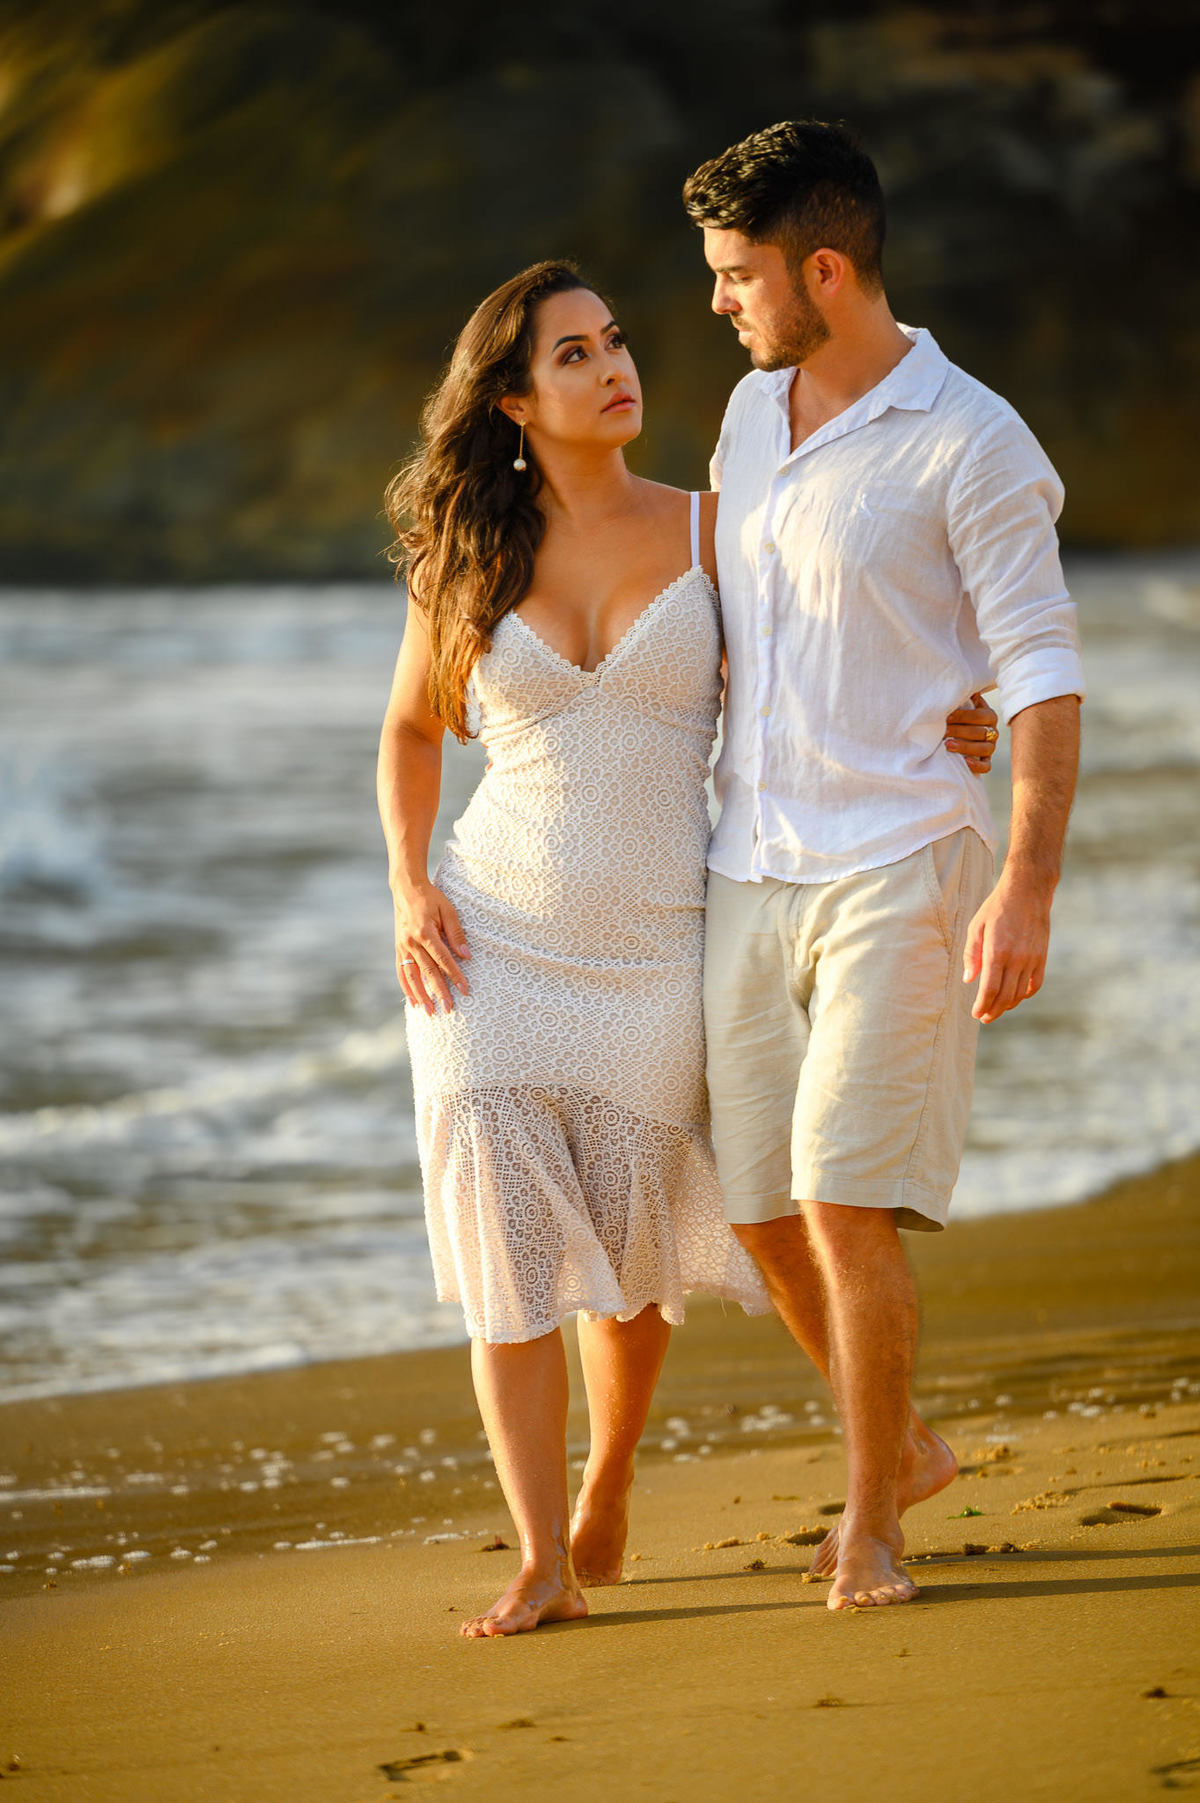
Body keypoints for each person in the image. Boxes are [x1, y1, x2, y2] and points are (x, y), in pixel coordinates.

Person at [376, 259, 1000, 1638]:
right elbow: (416, 731)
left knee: (631, 1224)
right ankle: (541, 1555)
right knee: (510, 1247)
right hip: (494, 938)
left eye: (615, 342)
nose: (615, 369)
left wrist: (961, 714)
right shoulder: (468, 553)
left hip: (664, 936)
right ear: (514, 398)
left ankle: (611, 1474)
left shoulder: (723, 529)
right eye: (575, 355)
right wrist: (410, 884)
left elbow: (844, 661)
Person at [681, 119, 1085, 1611]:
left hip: (903, 857)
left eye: (738, 275)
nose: (719, 302)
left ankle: (873, 1527)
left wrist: (1023, 883)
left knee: (846, 1201)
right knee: (758, 1207)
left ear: (826, 269)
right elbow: (734, 624)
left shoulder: (971, 440)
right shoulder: (743, 418)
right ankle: (901, 1446)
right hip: (749, 856)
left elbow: (1042, 671)